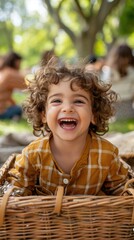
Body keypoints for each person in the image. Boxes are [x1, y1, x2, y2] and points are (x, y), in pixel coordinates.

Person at [1, 57, 131, 196]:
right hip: (43, 218)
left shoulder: (107, 155)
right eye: (57, 101)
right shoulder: (33, 154)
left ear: (94, 114)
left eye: (79, 101)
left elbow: (123, 192)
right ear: (43, 114)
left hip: (91, 218)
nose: (68, 108)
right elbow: (15, 193)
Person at [101, 44, 134, 120]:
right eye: (123, 57)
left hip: (125, 104)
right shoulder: (108, 71)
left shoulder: (131, 71)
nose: (125, 60)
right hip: (115, 105)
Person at [0, 51, 27, 120]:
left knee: (16, 107)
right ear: (15, 62)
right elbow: (29, 84)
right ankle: (14, 116)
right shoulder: (10, 74)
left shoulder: (3, 72)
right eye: (19, 63)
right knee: (22, 108)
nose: (20, 65)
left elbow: (6, 96)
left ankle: (14, 116)